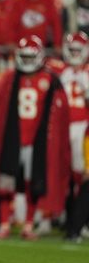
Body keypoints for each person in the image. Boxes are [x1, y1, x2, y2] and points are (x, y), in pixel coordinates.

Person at [0, 36, 70, 240]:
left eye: (30, 57)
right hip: (12, 140)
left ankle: (28, 224)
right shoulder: (11, 78)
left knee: (33, 183)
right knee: (5, 183)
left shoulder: (49, 79)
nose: (27, 61)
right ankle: (4, 224)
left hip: (35, 142)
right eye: (24, 57)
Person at [49, 32, 89, 241]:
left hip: (83, 128)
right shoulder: (58, 70)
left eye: (77, 50)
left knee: (81, 176)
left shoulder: (86, 71)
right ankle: (66, 219)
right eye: (71, 50)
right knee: (63, 175)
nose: (74, 54)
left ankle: (78, 221)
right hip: (63, 128)